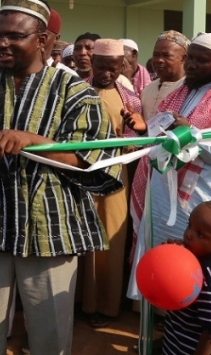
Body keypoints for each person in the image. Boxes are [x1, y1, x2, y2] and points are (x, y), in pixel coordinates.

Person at [0, 0, 123, 354]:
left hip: (50, 229)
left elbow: (95, 160)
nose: (1, 43)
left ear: (44, 41)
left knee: (49, 334)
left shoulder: (76, 92)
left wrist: (35, 142)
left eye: (13, 36)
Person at [127, 33, 211, 283]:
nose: (192, 65)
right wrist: (147, 131)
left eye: (202, 60)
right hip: (163, 195)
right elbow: (160, 135)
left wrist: (192, 137)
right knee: (160, 264)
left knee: (192, 274)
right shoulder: (179, 93)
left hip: (202, 201)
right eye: (191, 58)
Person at [78, 39, 140, 329]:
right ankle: (81, 302)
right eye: (101, 67)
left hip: (115, 175)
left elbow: (138, 138)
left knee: (111, 239)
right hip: (79, 174)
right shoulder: (75, 90)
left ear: (122, 67)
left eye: (113, 68)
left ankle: (107, 306)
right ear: (92, 63)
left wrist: (136, 127)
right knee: (81, 237)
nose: (106, 73)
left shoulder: (130, 97)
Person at [160, 200, 211, 355]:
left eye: (200, 234)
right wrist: (172, 258)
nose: (189, 234)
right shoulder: (196, 257)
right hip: (176, 342)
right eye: (189, 225)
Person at [140, 30, 188, 118]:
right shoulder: (148, 90)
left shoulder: (188, 90)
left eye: (166, 55)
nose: (159, 60)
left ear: (183, 58)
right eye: (156, 55)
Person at [44, 9, 76, 75]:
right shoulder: (18, 69)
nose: (36, 39)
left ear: (56, 38)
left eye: (44, 35)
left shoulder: (68, 75)